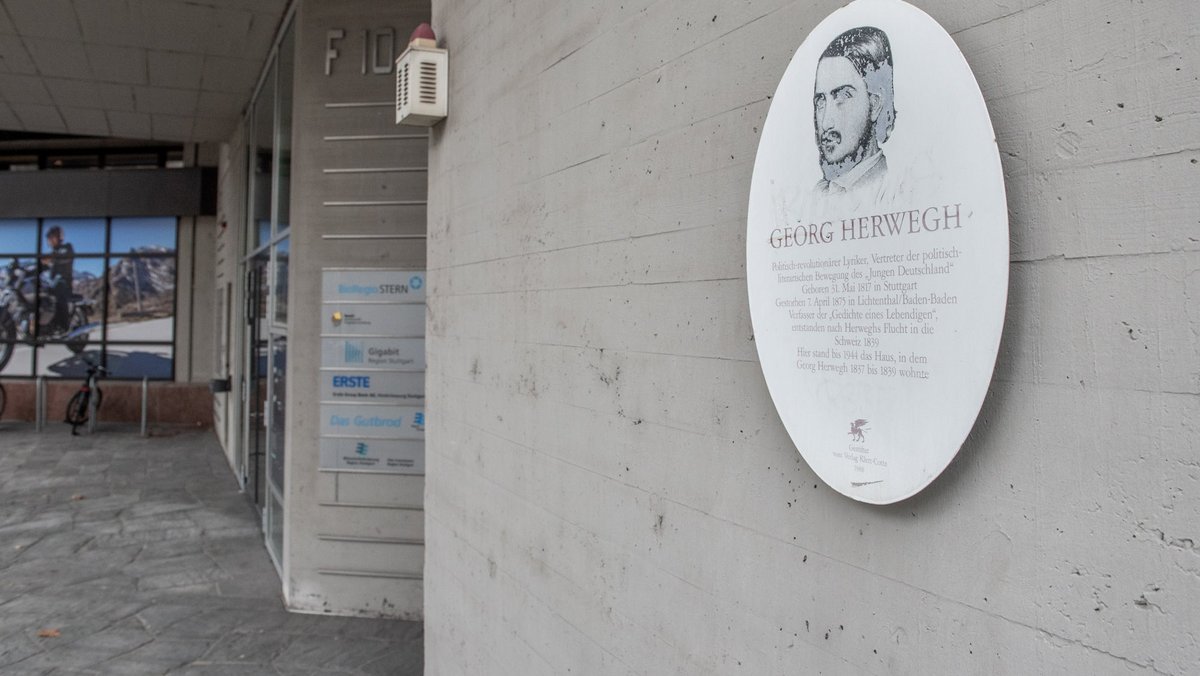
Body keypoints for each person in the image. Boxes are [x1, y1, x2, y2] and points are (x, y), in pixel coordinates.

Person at [810, 26, 897, 203]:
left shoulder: (894, 192)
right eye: (820, 101)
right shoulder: (817, 195)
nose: (826, 122)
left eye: (841, 97)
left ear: (874, 105)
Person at [41, 225, 74, 334]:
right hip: (53, 283)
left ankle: (64, 325)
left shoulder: (66, 248)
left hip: (64, 283)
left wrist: (51, 258)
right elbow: (43, 266)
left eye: (52, 236)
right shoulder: (52, 254)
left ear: (59, 237)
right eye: (49, 237)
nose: (50, 239)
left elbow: (65, 256)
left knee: (58, 285)